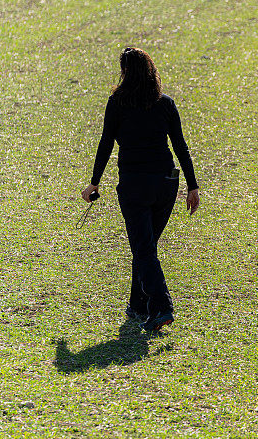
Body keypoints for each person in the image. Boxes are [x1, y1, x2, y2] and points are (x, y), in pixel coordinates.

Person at [82, 47, 200, 332]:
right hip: (166, 184)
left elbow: (106, 143)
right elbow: (180, 146)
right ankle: (138, 306)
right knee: (145, 247)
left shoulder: (117, 103)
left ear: (125, 73)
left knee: (144, 248)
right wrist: (192, 186)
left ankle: (161, 306)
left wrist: (94, 182)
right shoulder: (165, 103)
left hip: (135, 185)